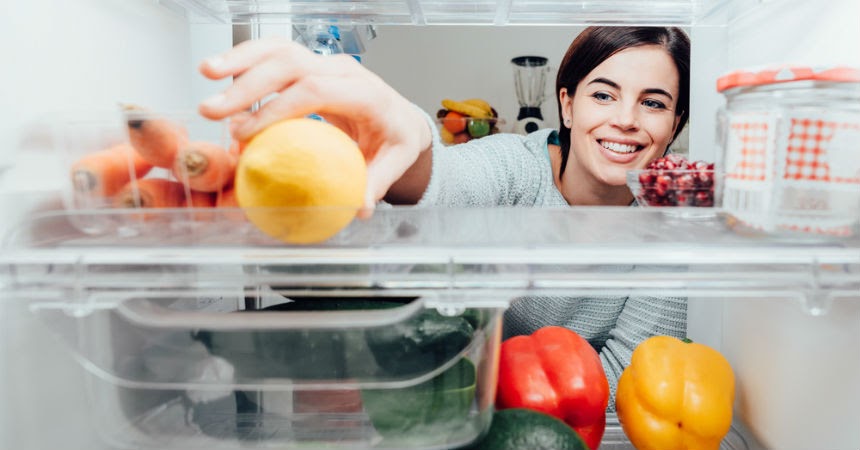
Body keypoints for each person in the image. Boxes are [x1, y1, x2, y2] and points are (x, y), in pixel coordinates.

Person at [198, 26, 691, 410]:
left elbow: (636, 374)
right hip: (454, 401)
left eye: (653, 103)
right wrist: (407, 132)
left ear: (675, 126)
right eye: (603, 94)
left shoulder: (670, 223)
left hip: (559, 418)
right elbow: (445, 182)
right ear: (566, 105)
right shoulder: (516, 164)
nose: (626, 118)